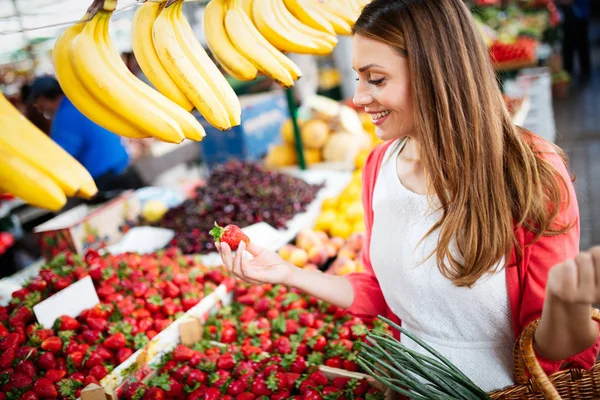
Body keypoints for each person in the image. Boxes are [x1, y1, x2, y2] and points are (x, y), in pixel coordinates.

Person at [217, 0, 600, 394]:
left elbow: (554, 353)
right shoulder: (380, 166)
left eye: (376, 79)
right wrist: (287, 273)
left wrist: (568, 301)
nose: (359, 98)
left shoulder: (528, 169)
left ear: (436, 73)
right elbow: (377, 291)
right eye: (358, 78)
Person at [26, 76, 143, 193]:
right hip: (125, 166)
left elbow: (61, 156)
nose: (39, 108)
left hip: (108, 179)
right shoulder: (81, 102)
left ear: (43, 99)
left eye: (37, 103)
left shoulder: (64, 117)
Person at [558, 0, 592, 81]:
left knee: (580, 43)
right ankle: (568, 71)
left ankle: (583, 71)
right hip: (569, 11)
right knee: (568, 43)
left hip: (578, 11)